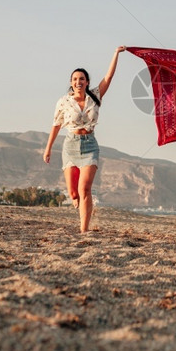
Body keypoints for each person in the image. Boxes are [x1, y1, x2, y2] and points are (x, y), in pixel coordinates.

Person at [43, 46, 126, 233]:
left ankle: (83, 231)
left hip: (90, 146)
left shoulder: (95, 97)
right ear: (71, 83)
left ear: (87, 82)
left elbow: (109, 77)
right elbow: (56, 125)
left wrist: (115, 54)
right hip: (70, 146)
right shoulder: (64, 101)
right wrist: (48, 149)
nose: (78, 82)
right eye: (74, 79)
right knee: (73, 193)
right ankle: (80, 204)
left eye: (81, 79)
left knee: (85, 189)